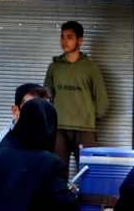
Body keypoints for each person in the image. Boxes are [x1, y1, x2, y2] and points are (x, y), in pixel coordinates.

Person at [43, 20, 110, 169]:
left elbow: (102, 102)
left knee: (88, 172)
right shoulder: (54, 67)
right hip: (58, 129)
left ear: (80, 40)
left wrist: (88, 116)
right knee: (56, 172)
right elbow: (46, 99)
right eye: (62, 37)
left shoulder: (91, 68)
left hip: (85, 130)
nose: (64, 41)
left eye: (69, 37)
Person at [0, 83, 52, 154]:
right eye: (31, 108)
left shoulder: (54, 140)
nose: (40, 115)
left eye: (46, 109)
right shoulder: (3, 144)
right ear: (15, 111)